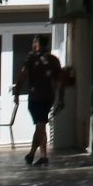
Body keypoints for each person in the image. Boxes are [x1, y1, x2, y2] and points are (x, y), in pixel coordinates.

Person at [14, 35, 63, 167]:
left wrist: (17, 93)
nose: (32, 45)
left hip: (35, 97)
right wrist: (61, 98)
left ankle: (44, 156)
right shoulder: (54, 60)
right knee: (40, 125)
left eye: (34, 43)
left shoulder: (32, 59)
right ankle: (31, 154)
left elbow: (22, 75)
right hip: (49, 97)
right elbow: (60, 81)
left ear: (37, 44)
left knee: (40, 125)